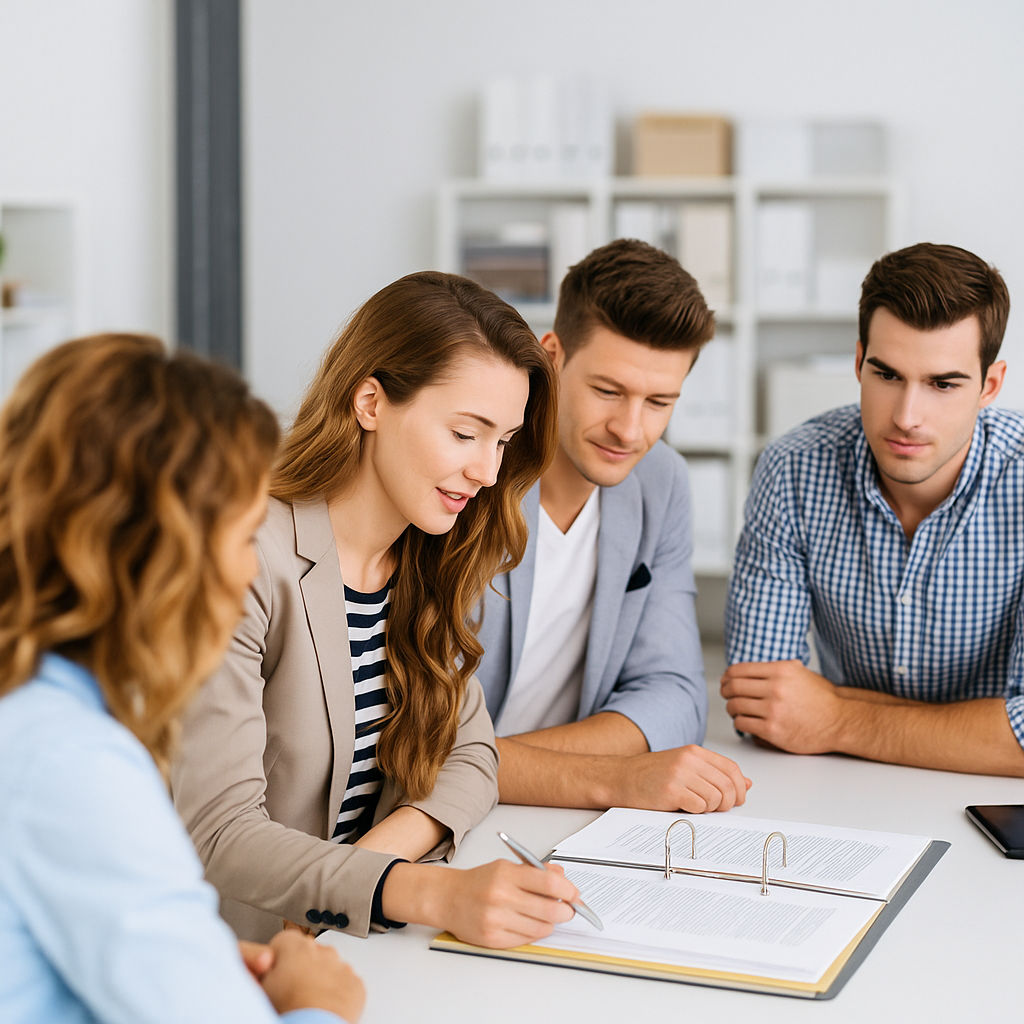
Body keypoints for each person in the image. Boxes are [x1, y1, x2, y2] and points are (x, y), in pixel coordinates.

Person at [172, 271, 581, 947]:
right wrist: (423, 891)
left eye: (503, 441)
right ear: (370, 402)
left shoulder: (426, 558)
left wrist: (372, 866)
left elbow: (472, 755)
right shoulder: (239, 559)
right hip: (230, 962)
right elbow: (218, 832)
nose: (487, 473)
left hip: (343, 945)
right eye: (465, 433)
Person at [0, 334, 366, 1023]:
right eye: (243, 535)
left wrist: (192, 960)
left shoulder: (36, 713)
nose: (248, 568)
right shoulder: (73, 763)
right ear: (163, 550)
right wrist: (321, 1004)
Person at [722, 242, 1024, 777]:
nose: (907, 416)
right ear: (859, 361)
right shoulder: (794, 469)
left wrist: (835, 718)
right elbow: (760, 705)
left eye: (942, 384)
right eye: (887, 375)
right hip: (842, 786)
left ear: (990, 386)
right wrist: (975, 730)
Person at [475, 239, 751, 811]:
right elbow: (416, 741)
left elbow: (676, 695)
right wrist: (609, 776)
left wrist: (496, 765)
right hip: (435, 818)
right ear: (552, 356)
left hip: (544, 810)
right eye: (608, 391)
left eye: (659, 402)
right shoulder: (471, 470)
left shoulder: (661, 482)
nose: (629, 430)